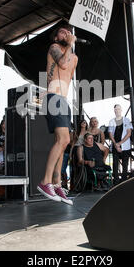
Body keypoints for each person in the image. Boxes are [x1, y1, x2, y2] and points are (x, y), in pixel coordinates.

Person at [37, 23, 78, 205]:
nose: (66, 34)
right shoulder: (54, 47)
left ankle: (57, 184)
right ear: (56, 37)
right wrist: (69, 44)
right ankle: (45, 182)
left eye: (68, 32)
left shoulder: (74, 57)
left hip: (63, 99)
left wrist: (71, 47)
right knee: (63, 140)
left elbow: (68, 72)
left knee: (62, 143)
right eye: (62, 32)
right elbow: (61, 64)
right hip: (53, 97)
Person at [108, 104, 133, 185]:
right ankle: (116, 182)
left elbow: (129, 133)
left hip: (125, 146)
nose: (117, 110)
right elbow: (110, 134)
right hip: (115, 145)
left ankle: (124, 182)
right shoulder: (111, 121)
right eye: (115, 109)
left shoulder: (127, 120)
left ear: (121, 110)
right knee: (115, 164)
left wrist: (120, 143)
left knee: (125, 164)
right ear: (114, 111)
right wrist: (116, 144)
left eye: (118, 109)